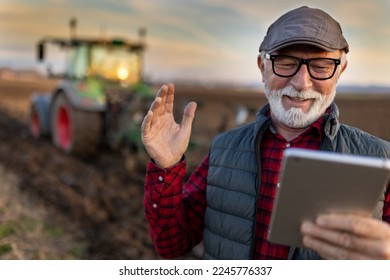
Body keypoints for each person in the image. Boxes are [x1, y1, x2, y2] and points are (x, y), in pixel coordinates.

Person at [141, 6, 390, 259]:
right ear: (263, 67)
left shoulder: (381, 160)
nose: (302, 82)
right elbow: (171, 245)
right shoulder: (223, 150)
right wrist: (166, 165)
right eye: (286, 63)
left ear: (340, 71)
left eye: (322, 66)